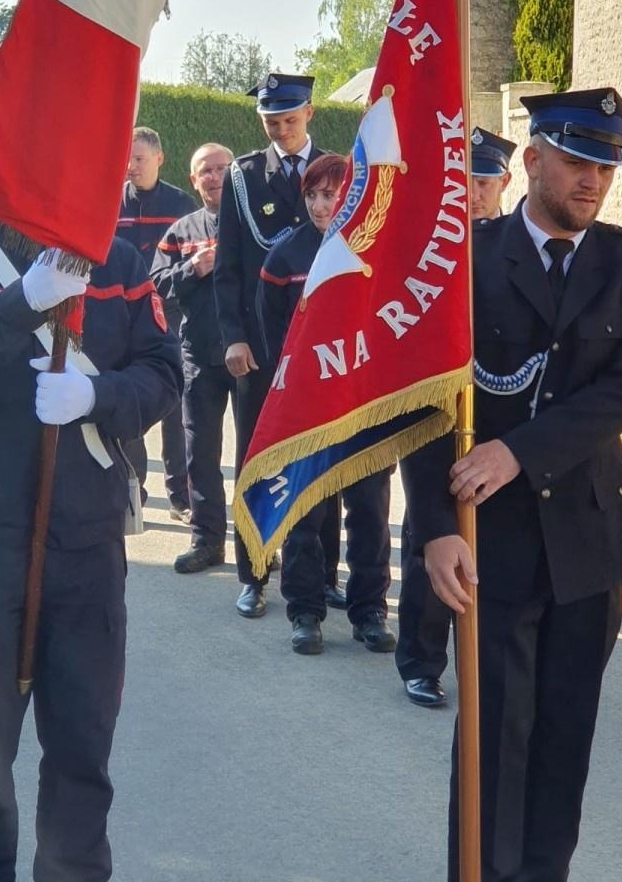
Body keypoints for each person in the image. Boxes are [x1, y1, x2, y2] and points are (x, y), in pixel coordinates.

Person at [402, 88, 622, 882]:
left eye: (607, 164)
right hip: (489, 543)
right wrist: (435, 531)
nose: (594, 179)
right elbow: (422, 406)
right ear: (532, 159)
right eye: (579, 159)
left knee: (563, 735)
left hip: (590, 541)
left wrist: (516, 450)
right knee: (490, 738)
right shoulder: (466, 262)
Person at [0, 219, 182, 882]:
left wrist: (98, 398)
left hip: (87, 546)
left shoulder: (115, 259)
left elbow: (163, 371)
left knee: (83, 753)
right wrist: (19, 302)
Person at [394, 127, 519, 708]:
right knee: (433, 529)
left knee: (495, 545)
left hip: (499, 411)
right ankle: (421, 661)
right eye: (462, 179)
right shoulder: (428, 249)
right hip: (435, 407)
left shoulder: (521, 248)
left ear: (505, 184)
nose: (471, 191)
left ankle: (486, 655)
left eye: (484, 180)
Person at [258, 154, 397, 655]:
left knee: (370, 513)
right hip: (309, 411)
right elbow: (274, 334)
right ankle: (304, 610)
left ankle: (370, 610)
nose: (322, 205)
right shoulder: (284, 258)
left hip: (363, 406)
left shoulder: (379, 247)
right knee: (306, 514)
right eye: (314, 195)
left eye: (331, 194)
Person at [213, 72, 340, 618]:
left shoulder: (338, 173)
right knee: (257, 459)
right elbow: (227, 268)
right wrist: (233, 338)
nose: (281, 130)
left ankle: (323, 573)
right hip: (261, 349)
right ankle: (254, 572)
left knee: (327, 457)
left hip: (325, 352)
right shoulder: (243, 176)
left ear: (309, 113)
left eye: (289, 120)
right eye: (271, 122)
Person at [151, 143, 237, 574]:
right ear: (194, 179)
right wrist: (193, 268)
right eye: (207, 170)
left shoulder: (252, 222)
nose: (216, 176)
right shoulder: (182, 230)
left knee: (256, 454)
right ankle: (207, 541)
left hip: (249, 354)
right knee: (200, 452)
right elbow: (156, 282)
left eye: (223, 168)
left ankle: (262, 544)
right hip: (199, 355)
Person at [117, 127, 196, 518]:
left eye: (139, 159)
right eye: (127, 159)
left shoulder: (181, 205)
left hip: (171, 316)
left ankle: (180, 496)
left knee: (174, 408)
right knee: (129, 402)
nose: (131, 166)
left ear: (160, 159)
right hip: (123, 318)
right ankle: (135, 492)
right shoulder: (112, 204)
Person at [470, 126, 517, 221]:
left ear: (504, 181)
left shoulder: (518, 234)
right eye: (465, 184)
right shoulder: (438, 233)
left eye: (483, 183)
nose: (473, 196)